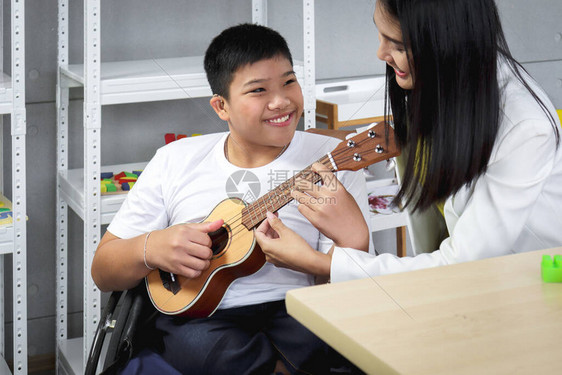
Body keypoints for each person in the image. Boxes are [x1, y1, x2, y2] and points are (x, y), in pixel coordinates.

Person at [91, 23, 372, 374]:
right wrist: (152, 247)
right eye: (258, 90)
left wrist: (341, 247)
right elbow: (103, 271)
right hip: (202, 316)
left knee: (337, 340)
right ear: (221, 106)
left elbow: (352, 288)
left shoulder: (333, 159)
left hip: (299, 308)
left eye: (289, 81)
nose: (281, 100)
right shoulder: (175, 159)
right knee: (199, 344)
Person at [255, 0, 562, 283]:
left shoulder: (524, 128)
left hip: (530, 284)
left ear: (447, 45)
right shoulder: (453, 77)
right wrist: (335, 145)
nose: (381, 54)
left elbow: (464, 264)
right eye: (380, 33)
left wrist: (319, 262)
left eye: (399, 45)